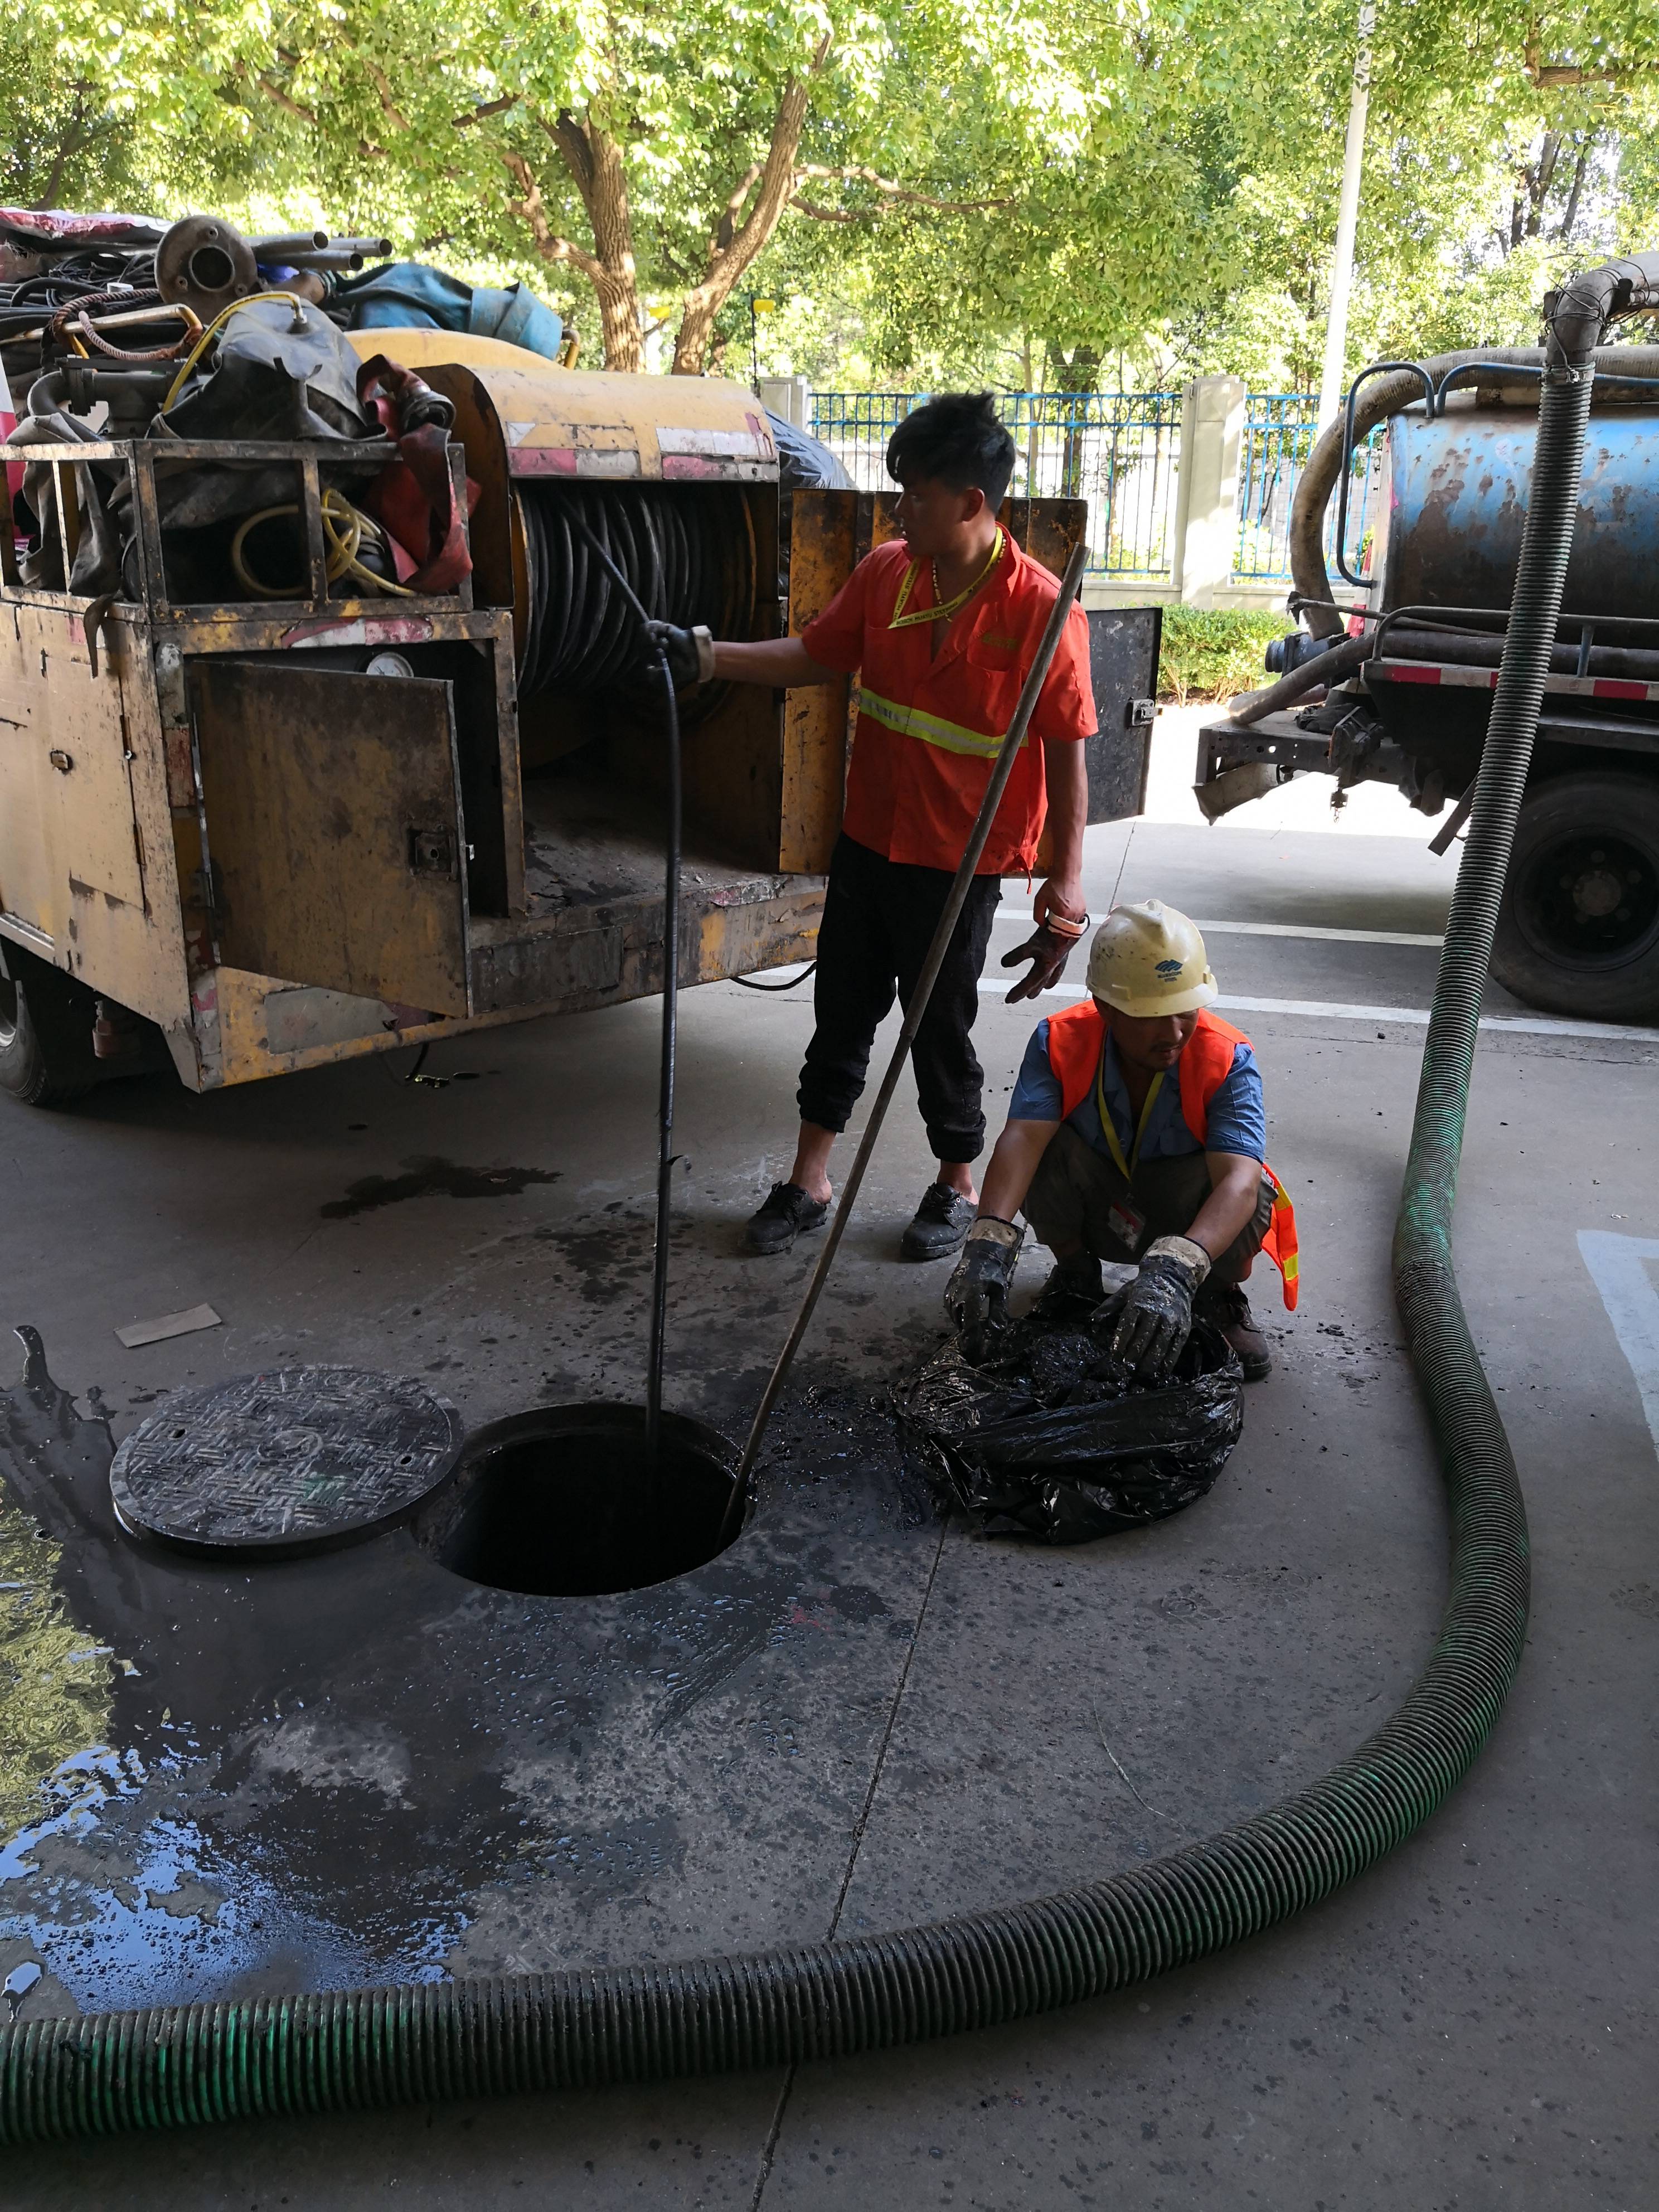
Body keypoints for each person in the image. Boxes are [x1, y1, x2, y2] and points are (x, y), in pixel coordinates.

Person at [647, 391, 1097, 1262]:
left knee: (939, 1028)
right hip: (869, 842)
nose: (900, 510)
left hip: (959, 866)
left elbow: (1070, 756)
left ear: (972, 503)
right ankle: (810, 1179)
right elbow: (813, 656)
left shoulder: (1042, 611)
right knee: (841, 1014)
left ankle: (955, 1184)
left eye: (917, 495)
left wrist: (1066, 882)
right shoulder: (889, 573)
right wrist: (708, 656)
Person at [944, 902, 1299, 1381]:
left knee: (1251, 1188)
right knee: (1039, 1154)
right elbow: (1022, 1140)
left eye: (1184, 1011)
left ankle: (1214, 1296)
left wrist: (1179, 1267)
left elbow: (1237, 1179)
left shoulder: (1227, 1056)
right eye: (1153, 1016)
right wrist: (987, 1242)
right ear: (1107, 1009)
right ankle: (1076, 1275)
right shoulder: (1060, 1041)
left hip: (1186, 1220)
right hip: (1099, 1200)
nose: (1174, 1033)